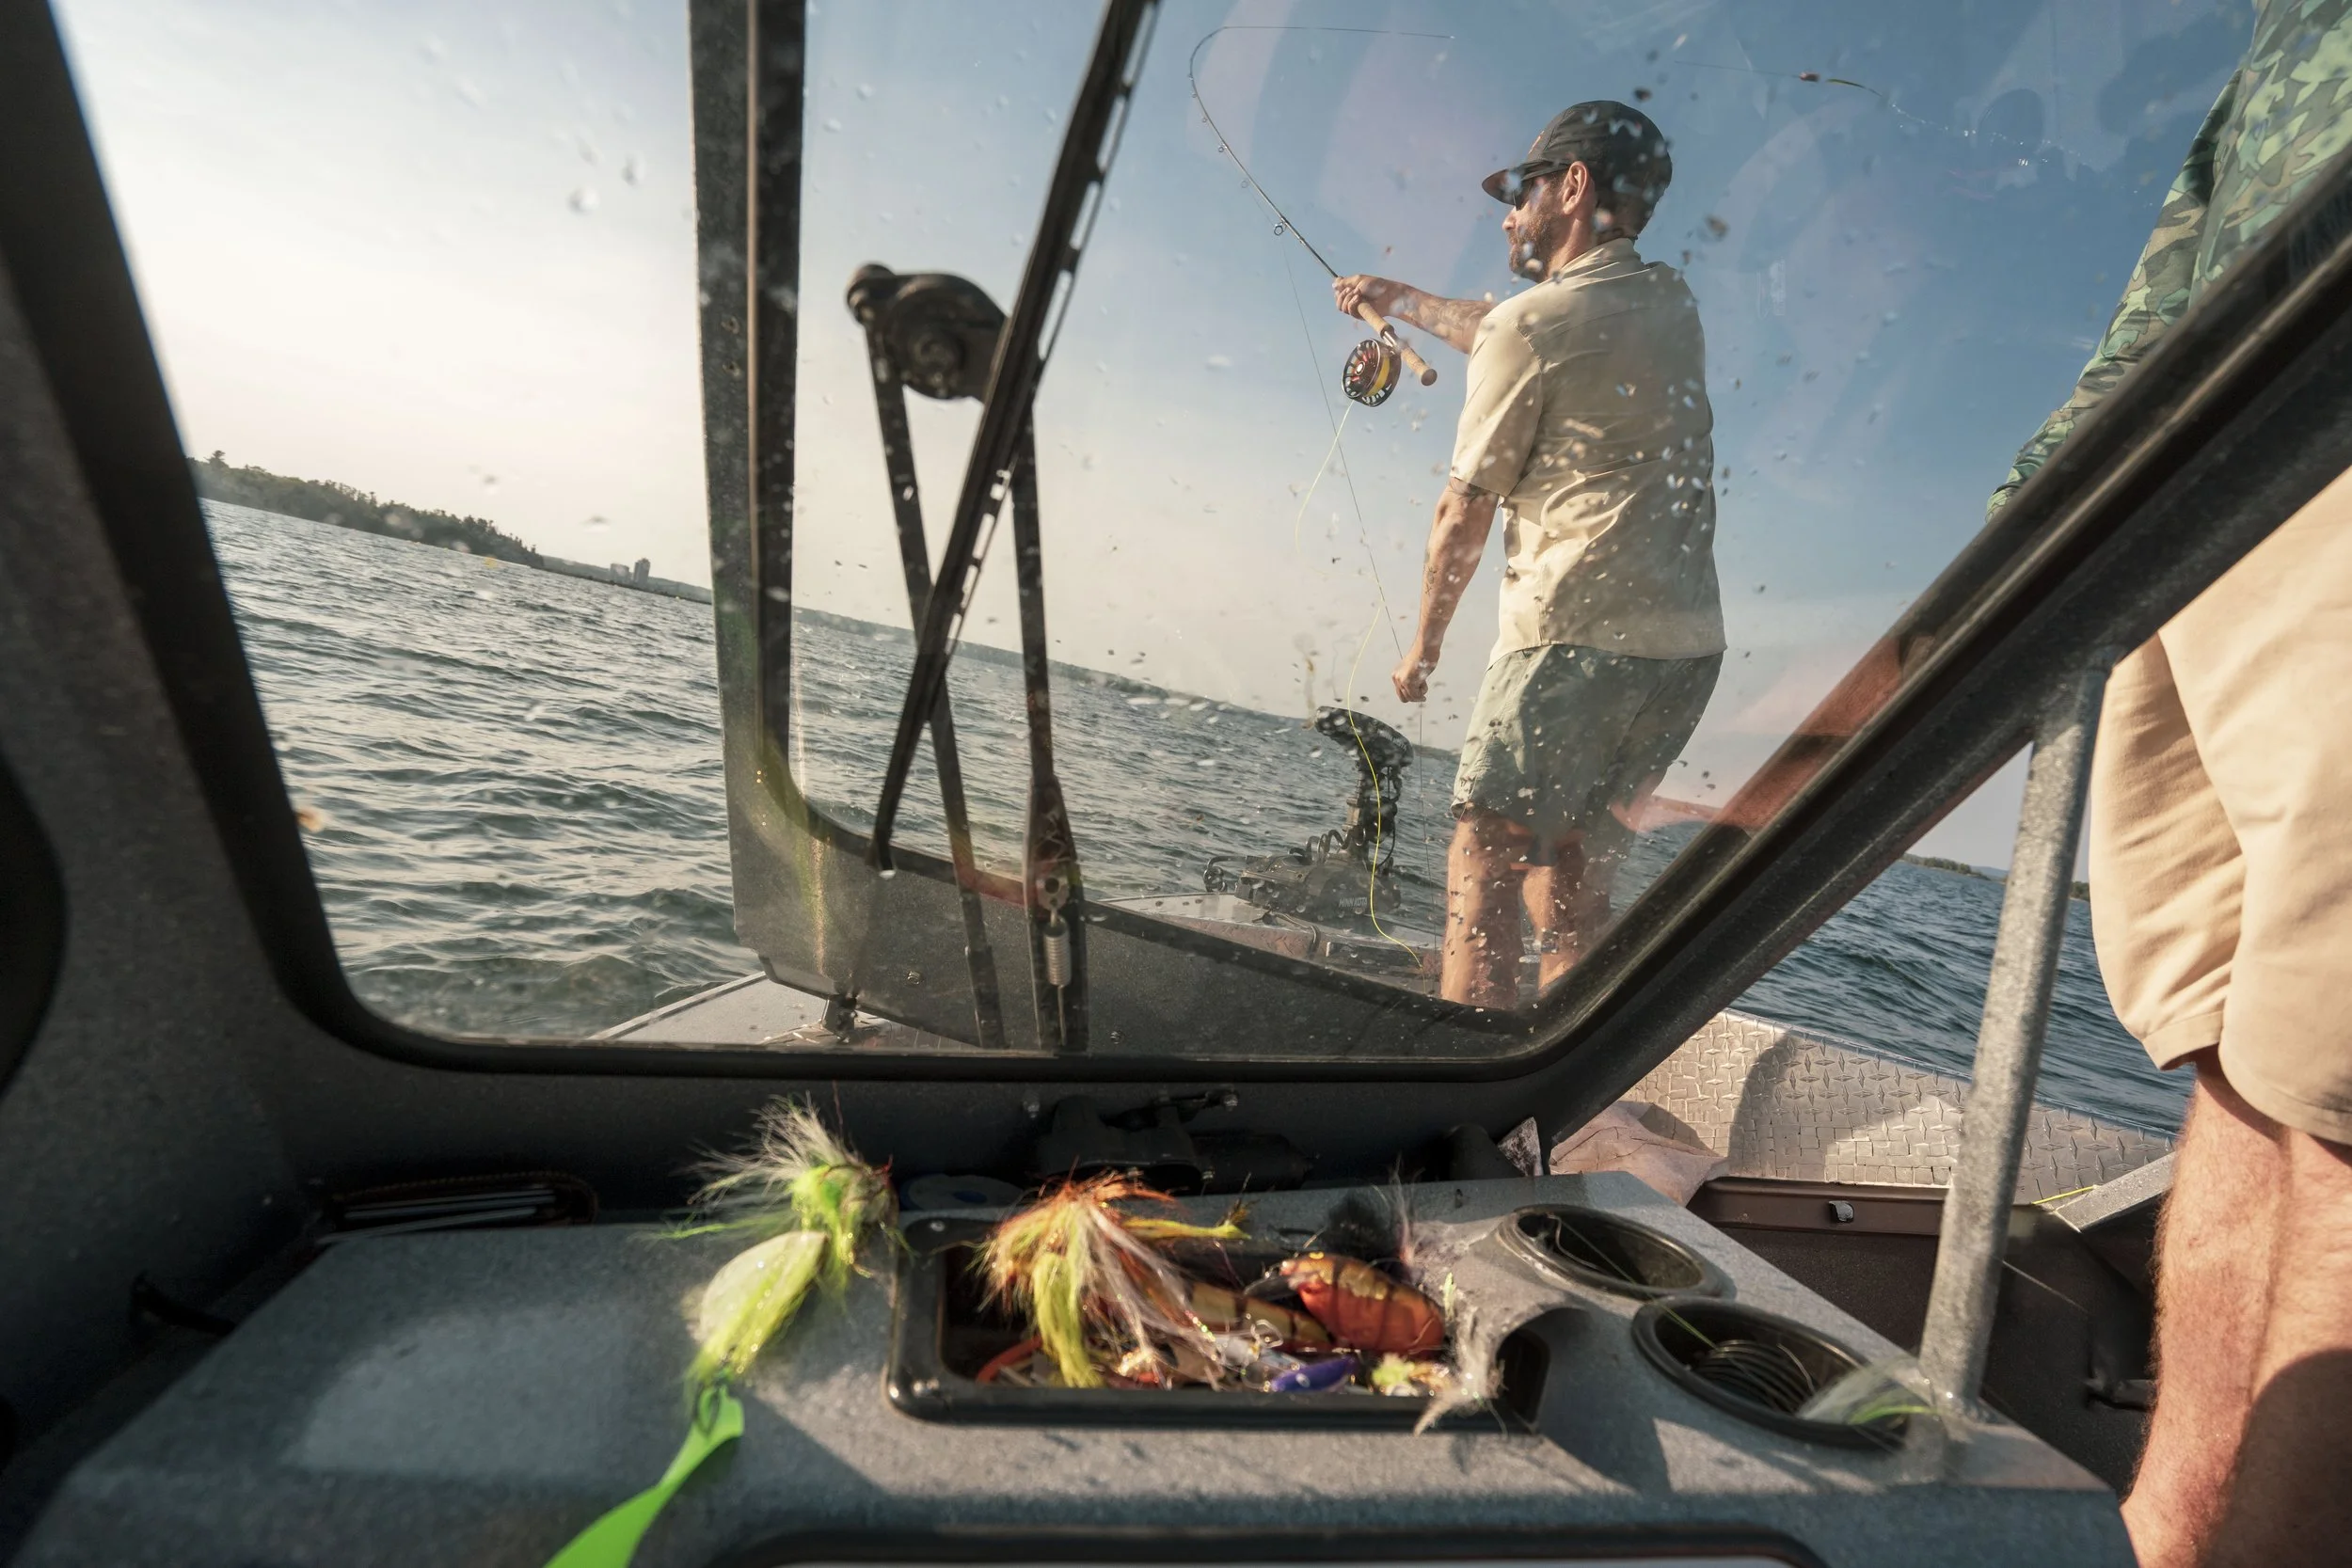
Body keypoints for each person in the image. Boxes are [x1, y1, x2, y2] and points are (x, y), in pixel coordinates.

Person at [1983, 6, 2352, 1563]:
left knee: (2340, 1087)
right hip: (2202, 469)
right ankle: (2167, 1535)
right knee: (2226, 1046)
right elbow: (2186, 244)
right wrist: (2030, 539)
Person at [1334, 102, 1722, 1007]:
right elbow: (1510, 328)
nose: (1507, 212)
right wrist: (1399, 301)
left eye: (1521, 189)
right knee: (1571, 882)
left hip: (1571, 642)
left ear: (1573, 186)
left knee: (1487, 861)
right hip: (1683, 653)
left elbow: (1461, 510)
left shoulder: (1536, 329)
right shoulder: (1669, 302)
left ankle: (1464, 1107)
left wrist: (1422, 648)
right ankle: (1549, 1095)